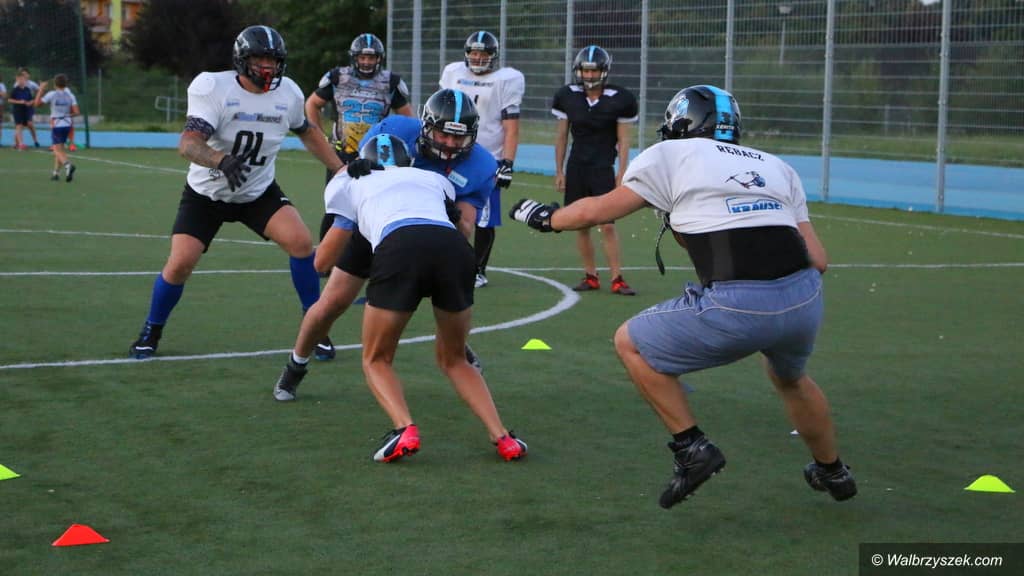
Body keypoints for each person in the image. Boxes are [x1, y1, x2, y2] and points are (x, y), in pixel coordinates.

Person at [509, 85, 856, 508]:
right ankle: (833, 470)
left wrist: (546, 217)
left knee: (631, 343)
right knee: (791, 379)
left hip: (737, 302)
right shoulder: (777, 166)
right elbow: (819, 260)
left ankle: (691, 448)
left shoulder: (671, 154)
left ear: (681, 122)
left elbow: (597, 210)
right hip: (803, 301)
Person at [128, 25, 345, 360]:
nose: (268, 67)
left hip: (257, 191)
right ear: (242, 59)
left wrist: (340, 168)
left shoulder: (288, 92)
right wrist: (220, 159)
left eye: (273, 60)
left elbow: (307, 131)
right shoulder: (213, 87)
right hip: (207, 194)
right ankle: (151, 330)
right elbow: (188, 143)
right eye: (260, 59)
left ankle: (315, 327)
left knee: (301, 243)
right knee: (180, 263)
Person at [317, 133, 527, 463]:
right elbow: (458, 224)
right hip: (455, 250)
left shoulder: (349, 181)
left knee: (376, 359)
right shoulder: (432, 178)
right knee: (456, 359)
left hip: (400, 246)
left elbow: (322, 262)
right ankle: (503, 437)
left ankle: (405, 428)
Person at [274, 88, 494, 403]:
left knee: (440, 282)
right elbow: (359, 182)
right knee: (332, 302)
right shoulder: (395, 131)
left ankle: (454, 346)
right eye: (443, 134)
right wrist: (357, 168)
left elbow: (465, 229)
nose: (449, 143)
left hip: (428, 234)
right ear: (426, 127)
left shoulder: (481, 165)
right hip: (375, 225)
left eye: (458, 138)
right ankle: (296, 364)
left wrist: (454, 215)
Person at [305, 33, 414, 249]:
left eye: (371, 58)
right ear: (354, 57)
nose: (366, 62)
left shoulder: (390, 83)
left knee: (374, 205)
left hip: (375, 155)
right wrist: (320, 136)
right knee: (336, 207)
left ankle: (372, 251)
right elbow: (312, 104)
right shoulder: (338, 78)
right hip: (341, 154)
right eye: (362, 57)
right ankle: (327, 254)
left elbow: (407, 120)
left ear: (379, 59)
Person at [440, 31, 524, 288]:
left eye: (483, 53)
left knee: (484, 218)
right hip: (452, 152)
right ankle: (445, 261)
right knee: (444, 208)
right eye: (474, 53)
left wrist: (507, 162)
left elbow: (511, 127)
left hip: (486, 159)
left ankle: (477, 269)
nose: (478, 58)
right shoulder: (454, 72)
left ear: (493, 56)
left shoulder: (506, 79)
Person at [553, 46, 638, 295]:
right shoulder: (567, 95)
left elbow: (624, 140)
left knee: (608, 224)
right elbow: (561, 137)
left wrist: (622, 172)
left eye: (594, 70)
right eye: (586, 70)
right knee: (581, 224)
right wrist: (559, 171)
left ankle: (617, 277)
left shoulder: (620, 99)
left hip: (602, 167)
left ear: (604, 71)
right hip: (577, 166)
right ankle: (590, 275)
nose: (589, 75)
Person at [32, 74, 79, 182]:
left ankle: (68, 165)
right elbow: (77, 112)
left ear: (55, 84)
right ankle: (56, 173)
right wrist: (66, 115)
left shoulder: (52, 94)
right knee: (60, 149)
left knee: (56, 149)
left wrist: (41, 89)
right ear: (66, 84)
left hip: (57, 124)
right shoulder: (71, 95)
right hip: (67, 125)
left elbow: (36, 104)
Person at [9, 70, 36, 150]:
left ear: (25, 80)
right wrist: (19, 102)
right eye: (19, 79)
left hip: (26, 110)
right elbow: (9, 100)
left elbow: (32, 99)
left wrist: (30, 103)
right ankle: (21, 144)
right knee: (19, 126)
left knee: (22, 126)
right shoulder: (15, 90)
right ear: (17, 80)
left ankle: (16, 143)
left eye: (23, 79)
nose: (21, 81)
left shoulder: (27, 89)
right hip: (17, 110)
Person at [18, 68, 41, 148]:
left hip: (29, 107)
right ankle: (19, 143)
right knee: (19, 125)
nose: (24, 76)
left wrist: (33, 100)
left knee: (29, 124)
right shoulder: (17, 84)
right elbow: (13, 95)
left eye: (25, 74)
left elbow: (40, 91)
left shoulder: (32, 84)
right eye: (22, 74)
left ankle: (35, 141)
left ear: (28, 75)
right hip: (20, 107)